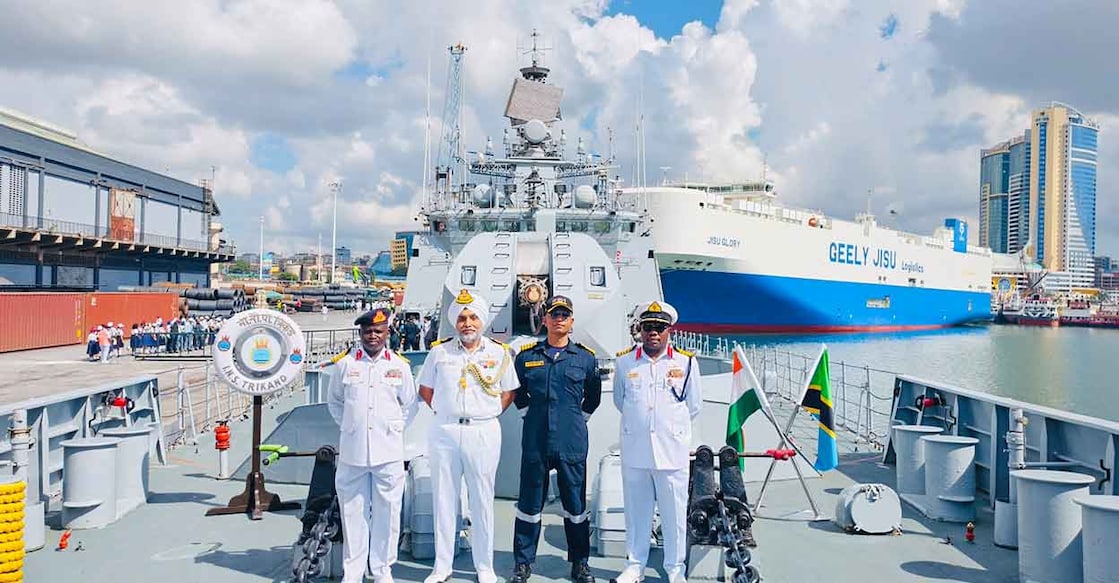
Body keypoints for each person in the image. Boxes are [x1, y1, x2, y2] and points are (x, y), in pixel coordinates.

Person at [417, 289, 518, 583]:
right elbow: (426, 390)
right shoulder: (440, 352)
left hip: (483, 430)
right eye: (462, 318)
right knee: (444, 498)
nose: (468, 323)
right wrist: (447, 411)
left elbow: (509, 391)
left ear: (482, 321)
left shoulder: (498, 353)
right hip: (445, 430)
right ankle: (442, 566)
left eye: (473, 317)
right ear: (455, 322)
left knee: (482, 499)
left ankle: (484, 566)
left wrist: (486, 412)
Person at [508, 295, 601, 583]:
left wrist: (576, 419)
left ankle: (580, 563)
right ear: (545, 320)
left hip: (571, 440)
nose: (559, 319)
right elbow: (517, 391)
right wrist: (529, 414)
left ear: (571, 321)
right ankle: (523, 563)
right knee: (529, 503)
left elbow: (593, 396)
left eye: (564, 315)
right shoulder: (527, 357)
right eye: (554, 314)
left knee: (575, 504)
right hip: (536, 439)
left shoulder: (585, 358)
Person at [610, 301, 702, 583]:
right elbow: (620, 401)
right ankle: (634, 565)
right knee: (637, 512)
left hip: (671, 451)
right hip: (636, 450)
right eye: (648, 326)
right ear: (640, 329)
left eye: (659, 327)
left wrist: (667, 427)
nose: (653, 332)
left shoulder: (685, 362)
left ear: (668, 330)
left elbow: (693, 405)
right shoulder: (625, 362)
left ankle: (675, 568)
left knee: (674, 513)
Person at [326, 307, 419, 583]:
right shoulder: (345, 365)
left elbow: (410, 405)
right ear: (360, 333)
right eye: (368, 331)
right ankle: (353, 572)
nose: (373, 336)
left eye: (378, 331)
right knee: (352, 513)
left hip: (388, 451)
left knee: (387, 513)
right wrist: (350, 425)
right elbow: (335, 402)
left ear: (387, 332)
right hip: (353, 451)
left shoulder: (399, 366)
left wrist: (393, 428)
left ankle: (382, 569)